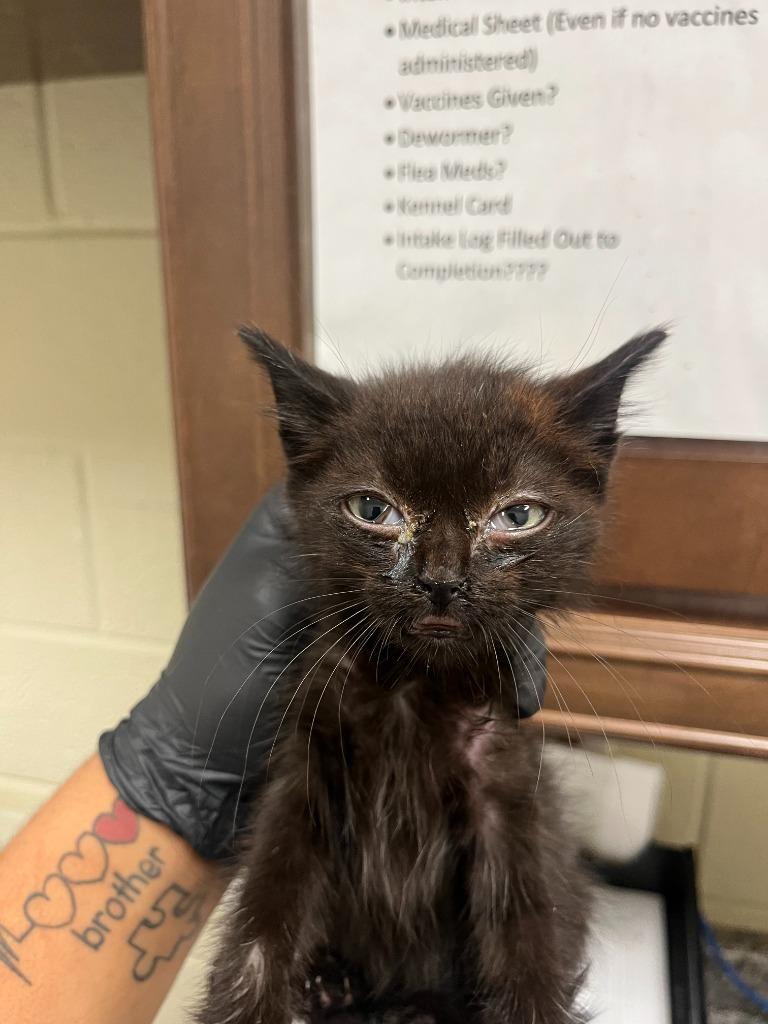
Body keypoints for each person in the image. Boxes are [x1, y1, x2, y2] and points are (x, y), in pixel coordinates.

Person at [0, 488, 547, 1024]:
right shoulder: (324, 685)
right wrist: (175, 771)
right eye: (374, 510)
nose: (442, 575)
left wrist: (171, 779)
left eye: (516, 515)